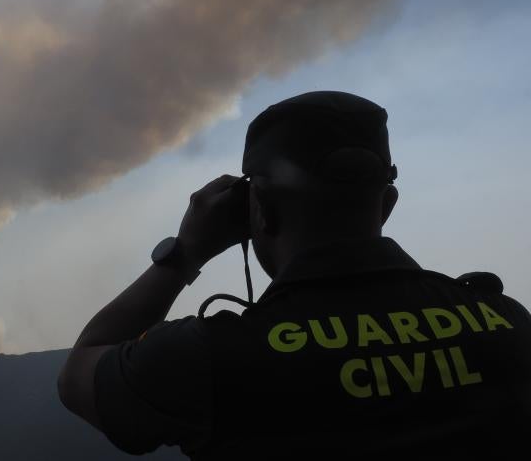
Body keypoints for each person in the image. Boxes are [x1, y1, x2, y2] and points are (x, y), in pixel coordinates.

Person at [57, 90, 531, 459]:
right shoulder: (507, 324)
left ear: (256, 209)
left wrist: (185, 255)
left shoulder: (208, 357)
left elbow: (79, 373)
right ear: (387, 205)